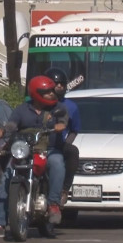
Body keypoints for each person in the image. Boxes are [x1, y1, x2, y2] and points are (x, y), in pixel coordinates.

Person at [0, 76, 69, 238]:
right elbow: (12, 124)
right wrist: (3, 131)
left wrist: (59, 126)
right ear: (36, 93)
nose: (51, 94)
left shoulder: (58, 108)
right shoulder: (22, 109)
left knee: (57, 163)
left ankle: (53, 204)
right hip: (25, 150)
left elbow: (63, 120)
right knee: (7, 175)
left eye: (51, 91)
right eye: (47, 92)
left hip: (47, 150)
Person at [44, 68, 81, 207]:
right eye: (55, 83)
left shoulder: (71, 106)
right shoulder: (36, 103)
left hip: (57, 145)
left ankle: (64, 189)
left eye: (62, 84)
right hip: (36, 143)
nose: (59, 86)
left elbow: (74, 130)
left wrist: (65, 143)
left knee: (72, 151)